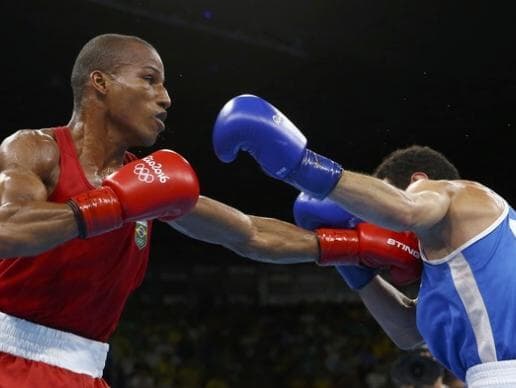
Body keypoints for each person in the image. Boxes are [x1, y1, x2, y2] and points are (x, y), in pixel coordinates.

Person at [0, 34, 422, 387]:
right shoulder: (36, 149)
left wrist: (349, 245)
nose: (165, 98)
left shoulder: (147, 183)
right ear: (100, 83)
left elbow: (248, 233)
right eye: (150, 80)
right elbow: (8, 228)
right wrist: (111, 204)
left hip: (84, 371)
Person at [211, 94, 516, 387]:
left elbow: (404, 210)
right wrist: (351, 260)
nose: (374, 221)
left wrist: (301, 165)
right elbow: (408, 333)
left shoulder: (454, 192)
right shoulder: (470, 261)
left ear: (417, 181)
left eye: (376, 202)